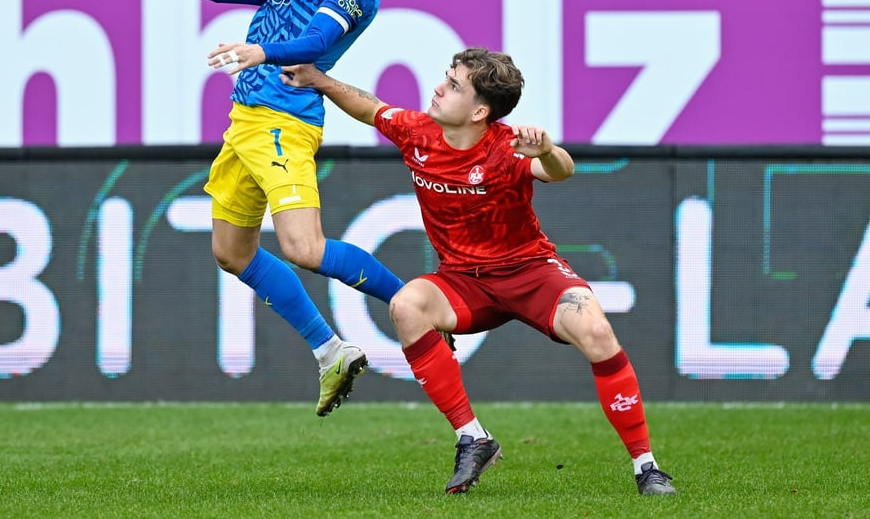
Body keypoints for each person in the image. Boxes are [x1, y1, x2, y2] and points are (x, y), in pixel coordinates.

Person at [279, 48, 678, 496]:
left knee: (598, 333)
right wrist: (318, 79)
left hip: (530, 272)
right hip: (464, 281)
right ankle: (473, 437)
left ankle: (647, 468)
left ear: (480, 110)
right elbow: (370, 108)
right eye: (446, 77)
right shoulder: (417, 132)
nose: (438, 87)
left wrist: (546, 149)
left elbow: (562, 171)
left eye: (453, 85)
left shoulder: (507, 147)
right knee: (407, 305)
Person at [85, 0, 401, 417]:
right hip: (246, 121)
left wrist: (263, 52)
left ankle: (411, 301)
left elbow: (319, 37)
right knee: (231, 252)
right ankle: (331, 350)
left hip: (282, 121)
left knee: (305, 248)